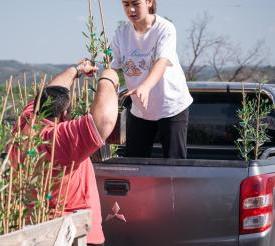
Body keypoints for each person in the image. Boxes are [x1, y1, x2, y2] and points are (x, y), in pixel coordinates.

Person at [10, 59, 119, 246]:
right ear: (63, 114)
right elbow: (105, 121)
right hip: (73, 236)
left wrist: (76, 70)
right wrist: (109, 78)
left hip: (36, 232)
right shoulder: (60, 139)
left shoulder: (24, 124)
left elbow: (52, 91)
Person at [111, 0, 193, 158]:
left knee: (174, 165)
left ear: (149, 2)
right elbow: (112, 66)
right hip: (140, 109)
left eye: (136, 4)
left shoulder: (165, 28)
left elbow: (161, 62)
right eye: (126, 5)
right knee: (135, 162)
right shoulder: (121, 33)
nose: (131, 10)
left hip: (171, 106)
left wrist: (145, 86)